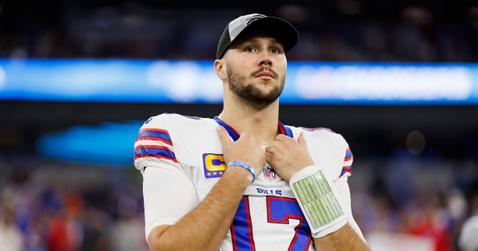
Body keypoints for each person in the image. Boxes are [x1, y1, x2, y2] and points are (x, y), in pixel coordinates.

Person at [134, 13, 369, 251]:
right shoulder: (175, 134)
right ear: (221, 69)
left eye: (275, 50)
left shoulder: (321, 146)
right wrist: (239, 172)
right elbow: (170, 248)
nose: (266, 58)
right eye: (250, 49)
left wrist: (308, 179)